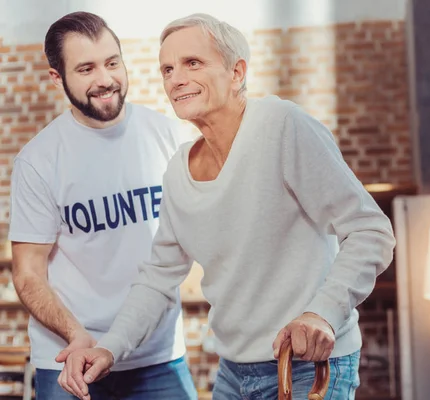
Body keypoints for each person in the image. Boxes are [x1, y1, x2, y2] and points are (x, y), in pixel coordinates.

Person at [60, 13, 396, 400]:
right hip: (233, 373)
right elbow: (157, 278)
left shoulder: (282, 126)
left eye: (193, 63)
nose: (176, 78)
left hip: (305, 366)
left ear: (237, 72)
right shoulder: (178, 170)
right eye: (167, 68)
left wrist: (323, 312)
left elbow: (371, 231)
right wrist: (109, 347)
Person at [8, 11, 198, 400]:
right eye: (86, 68)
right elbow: (28, 274)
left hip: (156, 354)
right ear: (57, 78)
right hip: (70, 359)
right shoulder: (39, 160)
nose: (105, 79)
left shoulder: (166, 134)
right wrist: (77, 335)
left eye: (112, 63)